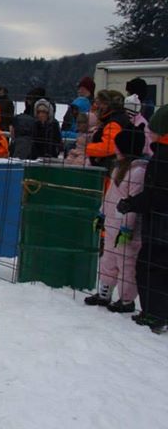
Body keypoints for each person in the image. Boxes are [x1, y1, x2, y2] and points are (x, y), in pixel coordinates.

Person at [116, 105, 168, 333]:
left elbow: (156, 194)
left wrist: (131, 204)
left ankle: (153, 315)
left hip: (161, 225)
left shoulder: (162, 160)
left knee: (149, 268)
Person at [85, 126, 147, 312]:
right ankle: (104, 293)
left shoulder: (138, 172)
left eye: (118, 146)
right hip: (111, 224)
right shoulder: (118, 169)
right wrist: (102, 213)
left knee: (126, 265)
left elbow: (132, 204)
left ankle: (126, 300)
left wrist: (127, 228)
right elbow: (110, 195)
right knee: (108, 260)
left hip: (125, 230)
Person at [87, 90, 131, 172]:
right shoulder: (116, 118)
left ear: (108, 105)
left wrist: (87, 148)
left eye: (100, 103)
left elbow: (109, 147)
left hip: (109, 170)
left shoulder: (114, 122)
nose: (97, 107)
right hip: (109, 167)